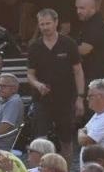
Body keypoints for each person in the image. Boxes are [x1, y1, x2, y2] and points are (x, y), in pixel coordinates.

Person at [25, 8, 82, 153]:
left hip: (65, 99)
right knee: (40, 141)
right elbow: (30, 75)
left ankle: (66, 169)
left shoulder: (69, 43)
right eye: (42, 24)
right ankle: (43, 167)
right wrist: (38, 85)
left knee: (66, 141)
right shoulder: (34, 46)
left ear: (56, 22)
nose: (45, 27)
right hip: (42, 99)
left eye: (48, 23)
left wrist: (80, 97)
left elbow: (78, 71)